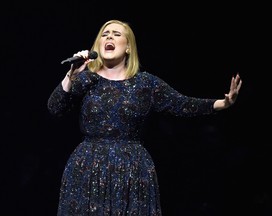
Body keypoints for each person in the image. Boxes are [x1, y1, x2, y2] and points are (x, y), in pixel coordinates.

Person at [47, 19, 242, 216]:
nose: (109, 37)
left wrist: (222, 103)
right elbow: (55, 108)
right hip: (89, 165)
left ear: (128, 47)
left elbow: (182, 104)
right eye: (105, 34)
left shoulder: (145, 83)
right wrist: (71, 75)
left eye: (116, 34)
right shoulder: (85, 79)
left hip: (132, 168)